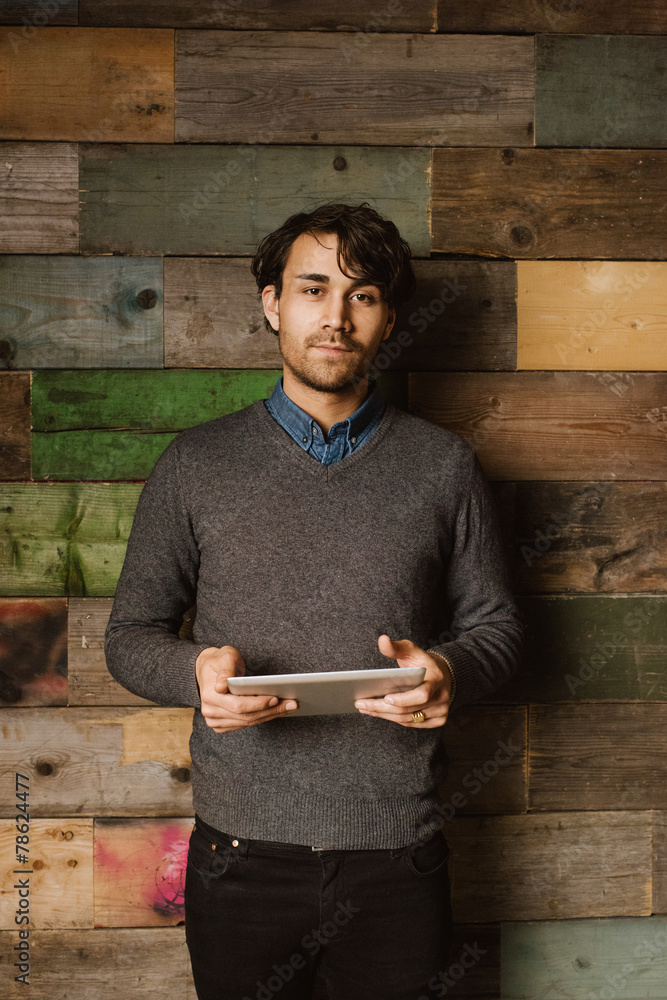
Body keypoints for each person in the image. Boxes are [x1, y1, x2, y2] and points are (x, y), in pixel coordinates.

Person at [104, 202, 523, 1000]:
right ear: (271, 303)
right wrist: (194, 673)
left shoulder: (443, 466)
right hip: (239, 859)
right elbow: (130, 636)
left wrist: (447, 670)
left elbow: (497, 628)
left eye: (362, 295)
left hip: (398, 854)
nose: (335, 316)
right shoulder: (195, 465)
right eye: (312, 289)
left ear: (389, 317)